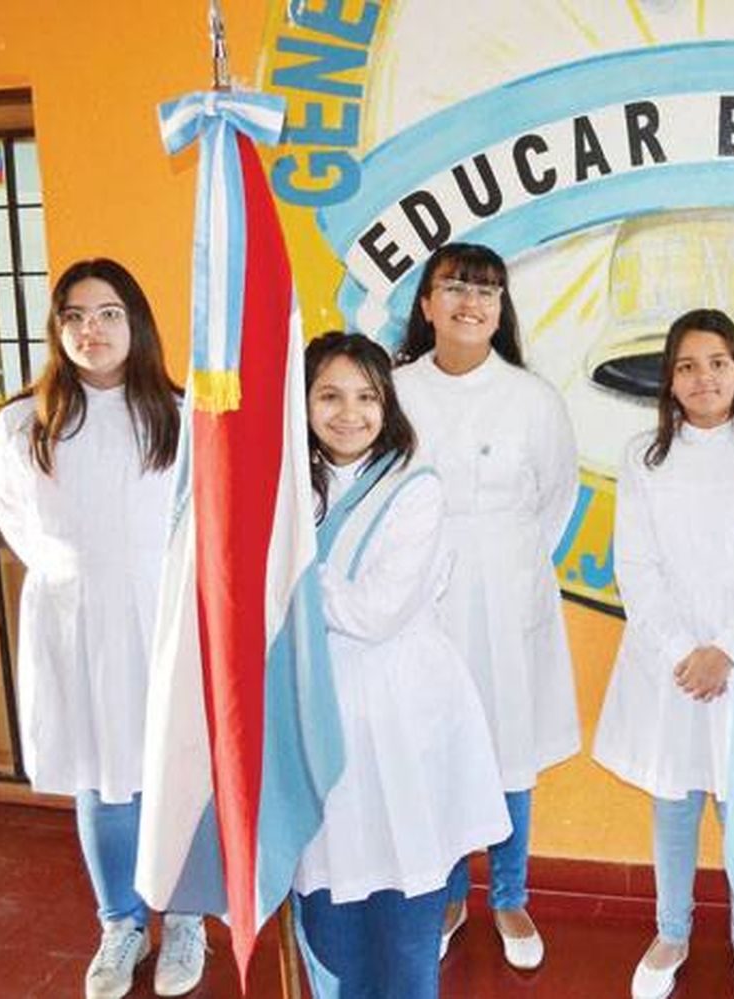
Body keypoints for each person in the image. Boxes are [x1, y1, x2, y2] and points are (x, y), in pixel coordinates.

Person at [0, 258, 206, 999]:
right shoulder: (23, 424)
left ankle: (186, 918)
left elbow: (203, 527)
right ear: (57, 329)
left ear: (136, 322)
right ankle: (121, 923)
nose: (92, 328)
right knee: (103, 777)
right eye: (75, 314)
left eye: (109, 312)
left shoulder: (181, 414)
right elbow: (20, 525)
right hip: (76, 623)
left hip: (163, 617)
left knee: (177, 774)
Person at [292, 332, 510, 999]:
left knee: (406, 892)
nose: (348, 413)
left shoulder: (415, 487)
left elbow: (374, 612)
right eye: (329, 395)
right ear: (301, 403)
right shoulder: (288, 485)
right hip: (314, 709)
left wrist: (291, 572)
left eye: (365, 396)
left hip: (402, 714)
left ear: (388, 404)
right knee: (328, 891)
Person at [393, 243, 580, 970]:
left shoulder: (533, 398)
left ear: (502, 309)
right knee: (436, 745)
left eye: (489, 292)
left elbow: (556, 498)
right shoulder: (396, 388)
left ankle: (509, 894)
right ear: (428, 303)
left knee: (509, 748)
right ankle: (446, 896)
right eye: (457, 288)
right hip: (419, 595)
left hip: (508, 590)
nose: (473, 303)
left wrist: (507, 561)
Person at [592, 309, 734, 999]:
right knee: (675, 799)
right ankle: (672, 929)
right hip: (668, 663)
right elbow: (635, 564)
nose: (704, 378)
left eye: (718, 362)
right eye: (688, 365)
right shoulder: (644, 455)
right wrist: (681, 652)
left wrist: (726, 648)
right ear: (668, 378)